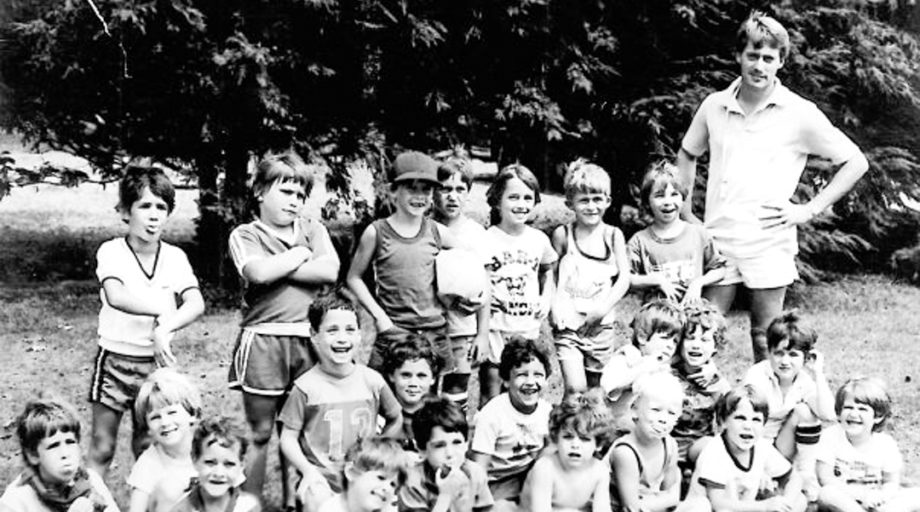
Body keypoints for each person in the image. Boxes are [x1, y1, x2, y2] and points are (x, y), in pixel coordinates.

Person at [677, 11, 869, 362]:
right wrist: (686, 214)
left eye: (769, 58)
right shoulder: (715, 105)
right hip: (717, 239)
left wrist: (807, 209)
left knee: (767, 335)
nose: (760, 65)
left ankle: (767, 413)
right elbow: (688, 153)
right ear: (738, 55)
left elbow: (856, 162)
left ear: (781, 61)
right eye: (753, 55)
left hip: (768, 241)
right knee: (701, 331)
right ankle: (697, 410)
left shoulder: (799, 112)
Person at [227, 152, 339, 505]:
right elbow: (257, 273)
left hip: (307, 341)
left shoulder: (313, 229)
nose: (295, 201)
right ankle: (251, 502)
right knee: (261, 431)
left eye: (301, 195)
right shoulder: (245, 234)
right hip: (263, 341)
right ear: (260, 191)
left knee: (301, 429)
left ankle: (296, 501)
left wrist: (281, 264)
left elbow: (330, 272)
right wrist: (302, 255)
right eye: (286, 191)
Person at [88, 166, 205, 476]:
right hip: (115, 361)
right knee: (102, 445)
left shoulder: (175, 257)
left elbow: (195, 302)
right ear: (126, 211)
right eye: (144, 206)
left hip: (155, 367)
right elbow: (116, 295)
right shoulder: (112, 251)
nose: (153, 215)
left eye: (161, 207)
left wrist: (166, 327)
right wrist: (159, 311)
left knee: (149, 444)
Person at [278, 291, 403, 512]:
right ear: (314, 334)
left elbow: (395, 417)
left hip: (363, 477)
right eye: (332, 330)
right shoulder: (305, 387)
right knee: (314, 494)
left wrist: (378, 452)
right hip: (323, 478)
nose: (342, 338)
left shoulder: (372, 381)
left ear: (359, 336)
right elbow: (288, 438)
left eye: (350, 330)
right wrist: (308, 471)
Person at [346, 150, 456, 372]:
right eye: (411, 188)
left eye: (426, 189)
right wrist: (380, 318)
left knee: (427, 400)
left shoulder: (438, 232)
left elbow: (467, 266)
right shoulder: (376, 232)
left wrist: (457, 297)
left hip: (433, 330)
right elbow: (354, 278)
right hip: (394, 329)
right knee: (385, 399)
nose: (419, 196)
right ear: (393, 191)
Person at [550, 159, 630, 398]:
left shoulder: (613, 235)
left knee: (596, 391)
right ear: (570, 203)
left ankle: (591, 434)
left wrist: (602, 309)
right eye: (584, 200)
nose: (591, 206)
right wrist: (553, 309)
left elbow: (624, 279)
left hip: (601, 326)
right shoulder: (563, 235)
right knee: (575, 389)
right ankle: (564, 432)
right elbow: (551, 278)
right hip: (569, 325)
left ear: (608, 201)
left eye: (597, 199)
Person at [480, 164, 558, 407]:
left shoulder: (538, 240)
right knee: (492, 393)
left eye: (527, 198)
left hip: (526, 329)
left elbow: (549, 272)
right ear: (496, 200)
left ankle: (524, 439)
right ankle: (488, 441)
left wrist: (546, 298)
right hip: (495, 328)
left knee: (525, 388)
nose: (521, 204)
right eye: (513, 197)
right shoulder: (486, 239)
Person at [681, 385, 807, 512]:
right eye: (740, 418)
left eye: (756, 420)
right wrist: (764, 506)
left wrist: (786, 502)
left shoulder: (761, 446)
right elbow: (718, 503)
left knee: (799, 500)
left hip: (742, 506)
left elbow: (794, 477)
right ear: (723, 421)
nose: (748, 426)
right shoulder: (715, 450)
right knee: (703, 506)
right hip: (711, 507)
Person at [432, 155, 490, 412]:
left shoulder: (476, 234)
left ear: (468, 193)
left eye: (459, 189)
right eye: (444, 189)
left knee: (457, 387)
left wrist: (482, 333)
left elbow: (485, 285)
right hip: (429, 324)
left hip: (463, 326)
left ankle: (454, 441)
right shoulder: (424, 228)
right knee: (424, 385)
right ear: (433, 191)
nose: (452, 196)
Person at [742, 311, 835, 470]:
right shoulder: (757, 376)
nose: (785, 361)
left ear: (805, 357)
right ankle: (781, 474)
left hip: (782, 446)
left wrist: (818, 372)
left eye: (793, 355)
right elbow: (747, 420)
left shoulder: (804, 380)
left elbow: (828, 415)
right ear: (769, 353)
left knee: (805, 412)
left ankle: (805, 472)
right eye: (779, 353)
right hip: (754, 445)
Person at [470, 337, 553, 510]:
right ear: (506, 381)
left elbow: (549, 455)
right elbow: (478, 469)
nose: (530, 382)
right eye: (522, 375)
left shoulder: (547, 412)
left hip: (527, 476)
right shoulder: (492, 415)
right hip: (495, 481)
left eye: (538, 375)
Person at [627, 161, 725, 305]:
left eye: (674, 194)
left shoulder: (698, 234)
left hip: (692, 310)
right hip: (658, 314)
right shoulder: (640, 240)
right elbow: (626, 278)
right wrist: (655, 280)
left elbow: (719, 269)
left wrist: (698, 283)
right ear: (647, 202)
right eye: (660, 195)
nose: (668, 202)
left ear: (683, 197)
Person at [816, 377, 920, 512]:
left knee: (916, 495)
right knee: (827, 493)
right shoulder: (830, 436)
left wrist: (881, 497)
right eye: (848, 407)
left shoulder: (886, 444)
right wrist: (861, 496)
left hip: (877, 501)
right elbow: (826, 479)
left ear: (878, 416)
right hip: (846, 501)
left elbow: (891, 482)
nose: (854, 414)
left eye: (862, 409)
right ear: (839, 412)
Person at [0, 398, 119, 512]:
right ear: (33, 455)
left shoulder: (92, 482)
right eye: (54, 446)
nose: (65, 454)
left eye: (70, 442)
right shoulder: (17, 500)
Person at [520, 389, 613, 512]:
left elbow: (602, 509)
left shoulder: (600, 471)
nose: (575, 445)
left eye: (584, 439)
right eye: (567, 437)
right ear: (556, 438)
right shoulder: (545, 468)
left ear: (598, 444)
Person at [599, 299, 684, 431]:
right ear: (642, 338)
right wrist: (641, 370)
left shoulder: (662, 367)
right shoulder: (626, 358)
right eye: (665, 338)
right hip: (617, 427)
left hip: (647, 428)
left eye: (675, 342)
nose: (670, 346)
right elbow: (608, 387)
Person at [397, 397, 493, 512]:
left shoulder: (475, 473)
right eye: (439, 446)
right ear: (422, 450)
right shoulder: (412, 481)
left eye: (457, 443)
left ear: (466, 444)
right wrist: (445, 495)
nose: (450, 454)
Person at [127, 368, 203, 512]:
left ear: (191, 413)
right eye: (155, 417)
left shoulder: (210, 447)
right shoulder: (148, 465)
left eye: (172, 412)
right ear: (148, 428)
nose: (165, 422)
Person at [607, 371, 684, 512]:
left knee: (700, 504)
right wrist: (670, 498)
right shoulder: (625, 452)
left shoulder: (670, 445)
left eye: (671, 413)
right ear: (634, 410)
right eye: (656, 410)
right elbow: (630, 508)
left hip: (652, 505)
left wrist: (669, 499)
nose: (663, 419)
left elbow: (671, 500)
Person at [671, 301, 730, 469]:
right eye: (690, 338)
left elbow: (727, 421)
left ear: (715, 347)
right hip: (665, 446)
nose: (696, 345)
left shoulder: (718, 383)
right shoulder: (667, 372)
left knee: (712, 446)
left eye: (704, 340)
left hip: (698, 447)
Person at [171, 416, 261, 512]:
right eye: (210, 462)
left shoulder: (247, 507)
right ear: (195, 459)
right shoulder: (180, 509)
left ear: (242, 464)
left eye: (229, 464)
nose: (218, 473)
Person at [381, 336, 445, 453]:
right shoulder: (381, 417)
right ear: (391, 375)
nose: (413, 383)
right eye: (406, 375)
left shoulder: (441, 417)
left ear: (433, 378)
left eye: (421, 376)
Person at [316, 437, 411, 512]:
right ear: (352, 473)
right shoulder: (330, 509)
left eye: (393, 484)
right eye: (381, 478)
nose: (387, 488)